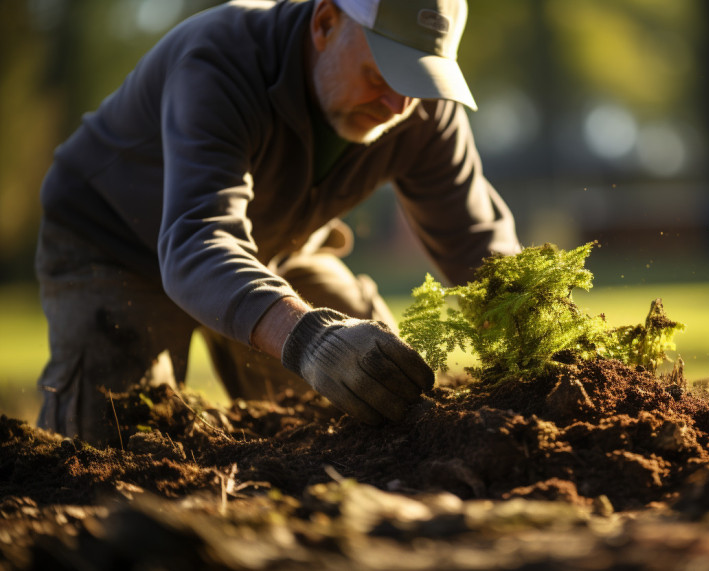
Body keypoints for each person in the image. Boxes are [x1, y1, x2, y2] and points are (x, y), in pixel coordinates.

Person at [34, 0, 521, 444]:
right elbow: (198, 242)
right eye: (380, 75)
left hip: (275, 250)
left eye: (418, 82)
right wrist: (310, 338)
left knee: (379, 387)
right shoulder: (220, 60)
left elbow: (475, 239)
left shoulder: (421, 107)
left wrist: (534, 324)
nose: (399, 107)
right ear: (325, 23)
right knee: (115, 440)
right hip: (117, 246)